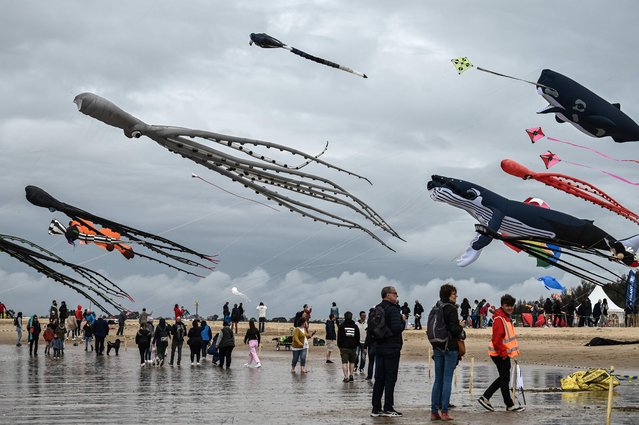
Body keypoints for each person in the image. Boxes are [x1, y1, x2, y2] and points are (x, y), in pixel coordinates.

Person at [478, 294, 525, 413]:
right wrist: (503, 354)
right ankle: (509, 405)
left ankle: (486, 397)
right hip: (499, 353)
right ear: (502, 305)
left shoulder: (505, 317)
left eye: (511, 306)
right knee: (505, 379)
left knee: (504, 378)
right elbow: (497, 340)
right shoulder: (500, 319)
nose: (510, 308)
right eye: (507, 305)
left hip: (502, 353)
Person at [430, 283, 465, 421]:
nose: (456, 296)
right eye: (454, 293)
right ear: (448, 295)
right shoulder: (450, 308)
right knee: (447, 380)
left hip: (437, 346)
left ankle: (434, 411)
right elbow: (455, 330)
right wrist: (461, 326)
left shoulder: (437, 307)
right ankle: (444, 411)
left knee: (438, 380)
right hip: (449, 348)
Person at [371, 286, 405, 418]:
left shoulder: (377, 308)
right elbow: (397, 328)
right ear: (388, 295)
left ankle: (376, 408)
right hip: (391, 348)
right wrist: (403, 321)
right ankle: (388, 407)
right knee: (390, 378)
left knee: (379, 378)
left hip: (378, 347)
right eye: (395, 293)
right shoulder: (393, 309)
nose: (397, 295)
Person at [337, 311, 359, 382]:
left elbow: (339, 337)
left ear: (344, 317)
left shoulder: (342, 326)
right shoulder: (355, 326)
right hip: (353, 347)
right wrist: (356, 344)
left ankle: (346, 377)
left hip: (344, 347)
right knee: (352, 362)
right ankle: (351, 375)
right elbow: (357, 337)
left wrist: (339, 346)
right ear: (351, 317)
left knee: (344, 362)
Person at [365, 307, 376, 381]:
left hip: (371, 344)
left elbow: (368, 336)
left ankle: (369, 376)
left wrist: (365, 346)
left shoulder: (370, 322)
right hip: (378, 344)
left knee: (371, 361)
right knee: (378, 361)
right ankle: (377, 375)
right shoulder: (379, 321)